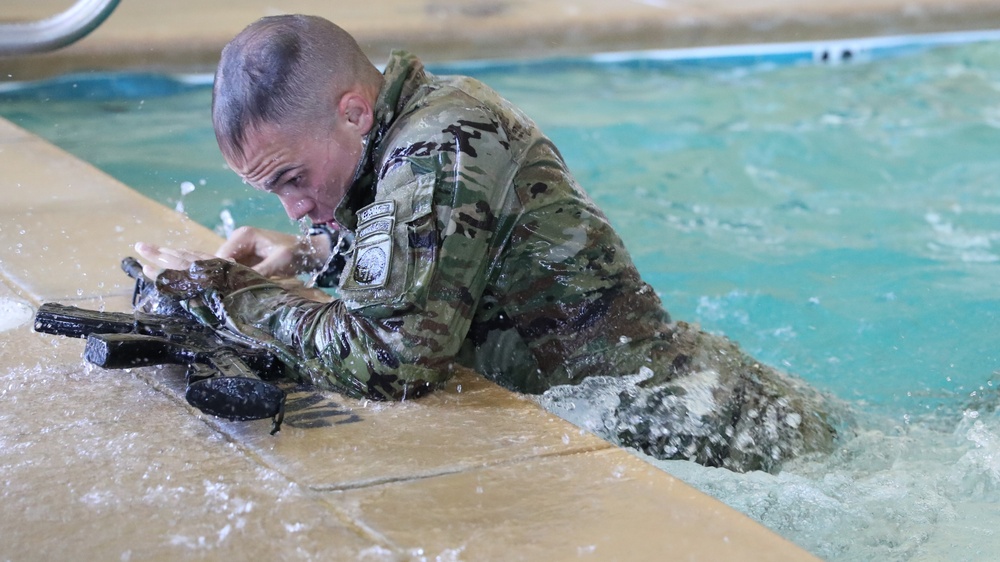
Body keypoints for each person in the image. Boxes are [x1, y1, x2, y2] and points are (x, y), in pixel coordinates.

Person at [137, 14, 839, 473]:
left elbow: (393, 364)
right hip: (690, 406)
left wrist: (229, 295)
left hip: (713, 435)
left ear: (354, 111)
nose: (296, 205)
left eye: (292, 177)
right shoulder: (403, 132)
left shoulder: (437, 145)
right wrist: (313, 254)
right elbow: (447, 263)